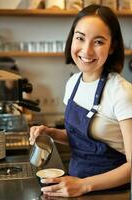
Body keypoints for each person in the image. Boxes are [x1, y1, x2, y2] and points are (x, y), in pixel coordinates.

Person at [29, 4, 132, 197]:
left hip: (113, 194)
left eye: (98, 42)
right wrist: (50, 133)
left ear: (112, 47)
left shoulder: (122, 93)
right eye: (80, 38)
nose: (86, 50)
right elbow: (81, 139)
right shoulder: (73, 83)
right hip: (76, 186)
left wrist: (84, 185)